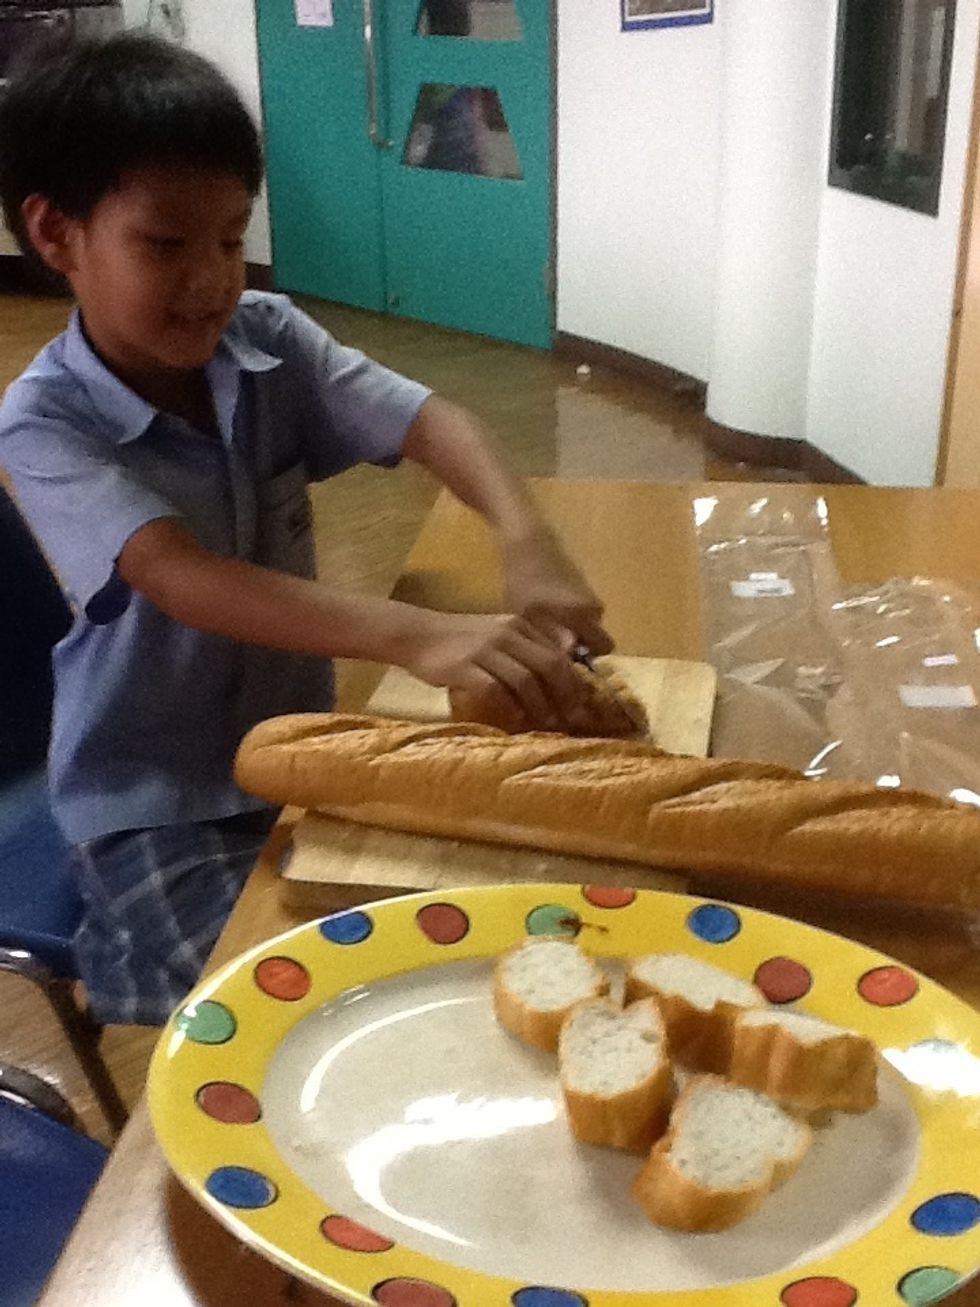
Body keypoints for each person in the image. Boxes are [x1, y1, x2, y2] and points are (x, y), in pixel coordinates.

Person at [0, 33, 615, 1027]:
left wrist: (524, 537)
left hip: (304, 755)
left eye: (230, 239)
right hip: (156, 800)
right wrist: (418, 635)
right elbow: (179, 576)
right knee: (305, 1004)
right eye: (165, 245)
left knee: (464, 942)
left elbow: (435, 423)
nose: (212, 279)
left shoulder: (268, 339)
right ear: (56, 233)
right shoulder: (43, 421)